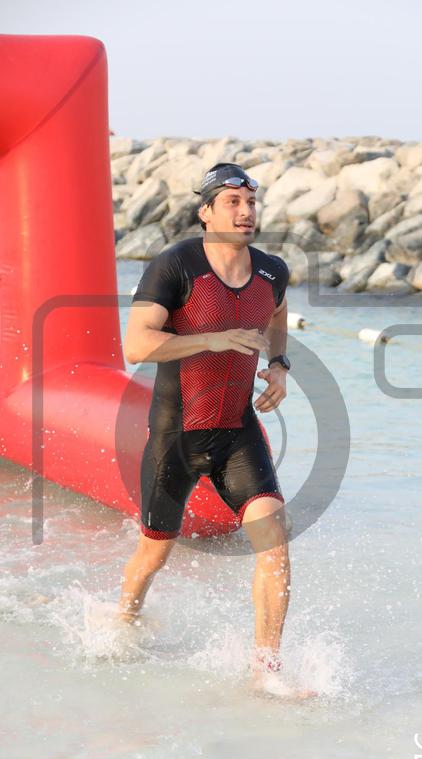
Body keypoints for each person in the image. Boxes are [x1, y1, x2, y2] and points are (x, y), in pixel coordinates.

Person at [118, 162, 293, 691]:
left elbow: (277, 313)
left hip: (237, 432)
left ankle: (265, 670)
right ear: (206, 212)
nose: (245, 212)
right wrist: (211, 339)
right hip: (176, 436)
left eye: (251, 203)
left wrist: (279, 365)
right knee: (154, 553)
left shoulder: (271, 271)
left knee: (274, 542)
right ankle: (121, 622)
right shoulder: (176, 267)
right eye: (233, 203)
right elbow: (136, 344)